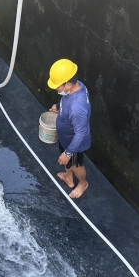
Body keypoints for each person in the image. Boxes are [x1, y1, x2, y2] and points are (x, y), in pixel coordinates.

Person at [48, 59, 91, 199]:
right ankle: (69, 178)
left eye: (57, 87)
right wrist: (58, 106)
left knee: (76, 165)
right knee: (69, 163)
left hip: (74, 144)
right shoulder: (77, 86)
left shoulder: (77, 107)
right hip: (66, 138)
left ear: (68, 84)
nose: (56, 89)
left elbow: (80, 133)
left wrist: (68, 153)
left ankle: (82, 183)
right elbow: (66, 101)